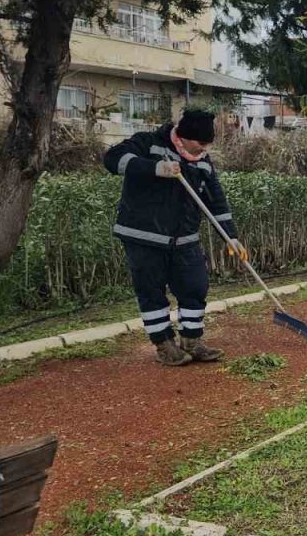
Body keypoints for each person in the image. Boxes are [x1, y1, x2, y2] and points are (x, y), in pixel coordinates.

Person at [103, 109, 247, 365]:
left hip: (185, 239)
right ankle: (164, 344)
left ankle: (192, 340)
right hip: (144, 236)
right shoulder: (148, 143)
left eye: (207, 145)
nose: (203, 149)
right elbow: (112, 159)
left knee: (195, 286)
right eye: (199, 144)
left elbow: (217, 202)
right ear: (183, 136)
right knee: (152, 292)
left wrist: (231, 237)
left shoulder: (203, 160)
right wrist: (155, 168)